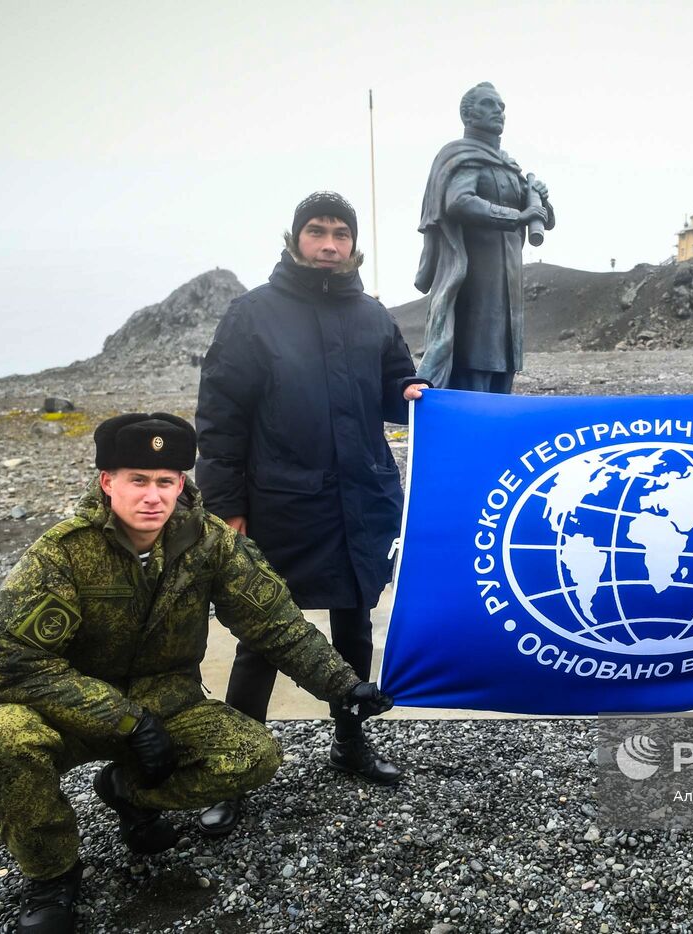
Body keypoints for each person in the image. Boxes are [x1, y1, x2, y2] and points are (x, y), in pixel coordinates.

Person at [0, 414, 394, 933]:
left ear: (181, 484)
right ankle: (53, 875)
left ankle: (125, 791)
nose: (153, 496)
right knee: (2, 738)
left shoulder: (210, 543)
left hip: (171, 706)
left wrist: (343, 685)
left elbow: (276, 626)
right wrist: (125, 720)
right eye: (138, 480)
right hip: (74, 711)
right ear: (107, 482)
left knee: (253, 755)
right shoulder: (63, 553)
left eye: (165, 481)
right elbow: (4, 661)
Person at [196, 191, 426, 832]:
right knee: (264, 636)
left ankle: (351, 743)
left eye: (341, 234)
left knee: (355, 629)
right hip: (281, 509)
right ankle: (233, 767)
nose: (329, 244)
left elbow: (394, 389)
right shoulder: (252, 316)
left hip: (363, 503)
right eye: (317, 232)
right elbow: (219, 422)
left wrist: (413, 393)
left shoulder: (374, 316)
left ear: (354, 245)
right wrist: (226, 509)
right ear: (295, 240)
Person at [414, 81, 555, 392]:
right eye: (490, 105)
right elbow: (458, 201)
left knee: (505, 362)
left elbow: (545, 221)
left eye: (502, 106)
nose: (499, 112)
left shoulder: (509, 165)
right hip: (475, 281)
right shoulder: (462, 156)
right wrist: (517, 216)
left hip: (510, 283)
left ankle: (498, 428)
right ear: (467, 113)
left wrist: (540, 200)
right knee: (477, 360)